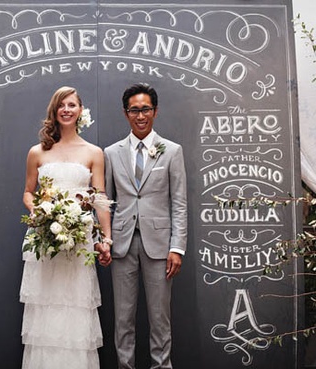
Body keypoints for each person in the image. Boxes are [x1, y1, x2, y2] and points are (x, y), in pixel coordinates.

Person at [19, 86, 112, 369]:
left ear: (81, 111)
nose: (67, 109)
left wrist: (106, 238)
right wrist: (39, 212)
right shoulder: (37, 152)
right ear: (55, 111)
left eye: (72, 105)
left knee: (76, 308)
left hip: (80, 239)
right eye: (62, 105)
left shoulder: (94, 152)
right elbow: (27, 192)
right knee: (47, 310)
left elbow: (100, 198)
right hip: (45, 239)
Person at [104, 83, 188, 369]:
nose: (140, 116)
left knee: (160, 319)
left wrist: (177, 247)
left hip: (161, 247)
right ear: (126, 113)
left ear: (155, 111)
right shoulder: (111, 153)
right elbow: (105, 202)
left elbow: (179, 203)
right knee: (123, 318)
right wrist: (103, 239)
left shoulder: (172, 151)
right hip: (122, 244)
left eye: (146, 109)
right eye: (134, 110)